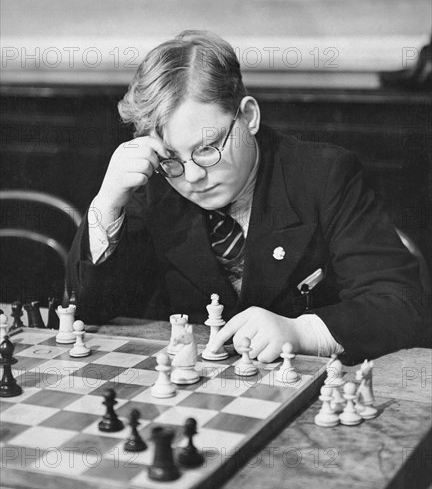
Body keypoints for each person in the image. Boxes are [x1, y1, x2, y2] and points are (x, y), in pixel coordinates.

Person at [66, 30, 427, 366]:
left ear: (248, 117)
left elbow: (401, 305)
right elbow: (88, 312)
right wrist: (107, 204)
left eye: (208, 148)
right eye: (171, 159)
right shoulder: (153, 186)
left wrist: (301, 332)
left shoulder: (325, 174)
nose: (192, 176)